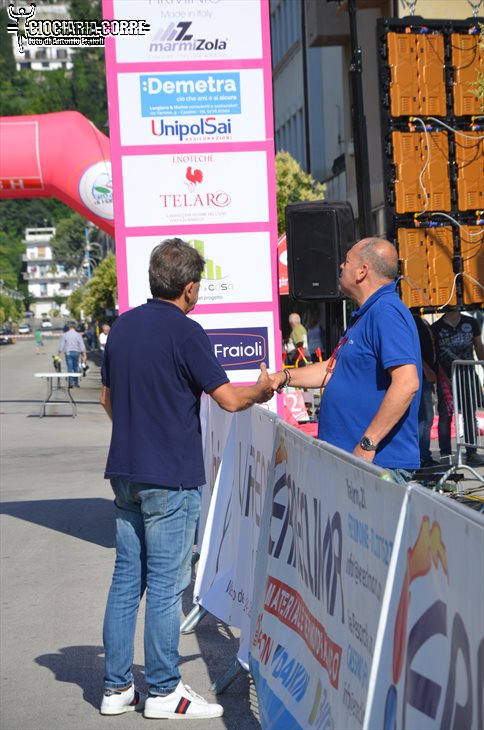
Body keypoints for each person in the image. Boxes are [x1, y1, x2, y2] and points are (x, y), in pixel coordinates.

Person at [99, 238, 274, 719]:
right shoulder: (186, 331)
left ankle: (116, 688)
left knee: (125, 581)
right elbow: (229, 400)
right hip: (169, 476)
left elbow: (107, 400)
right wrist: (262, 390)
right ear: (190, 287)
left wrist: (137, 434)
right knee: (164, 585)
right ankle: (163, 690)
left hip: (126, 471)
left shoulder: (122, 326)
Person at [271, 238, 421, 484]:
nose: (341, 266)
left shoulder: (386, 312)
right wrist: (284, 377)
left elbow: (407, 383)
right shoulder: (367, 313)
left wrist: (367, 444)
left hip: (375, 465)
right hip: (353, 461)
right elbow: (333, 369)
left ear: (362, 271)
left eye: (347, 261)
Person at [431, 310, 484, 467]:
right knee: (445, 416)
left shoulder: (471, 322)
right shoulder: (436, 327)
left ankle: (472, 452)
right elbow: (434, 355)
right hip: (445, 378)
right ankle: (445, 454)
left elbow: (479, 348)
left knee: (469, 414)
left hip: (468, 376)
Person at [413, 313, 438, 468]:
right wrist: (426, 369)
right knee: (425, 418)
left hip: (424, 377)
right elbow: (414, 348)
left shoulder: (420, 321)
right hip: (421, 376)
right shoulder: (415, 321)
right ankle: (422, 456)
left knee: (426, 418)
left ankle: (423, 455)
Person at [58, 321, 87, 387]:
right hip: (76, 352)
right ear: (75, 327)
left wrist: (59, 353)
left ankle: (71, 382)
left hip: (68, 352)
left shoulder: (65, 334)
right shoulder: (78, 335)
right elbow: (82, 345)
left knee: (69, 367)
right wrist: (84, 354)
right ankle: (76, 382)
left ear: (69, 327)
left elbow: (62, 345)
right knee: (76, 367)